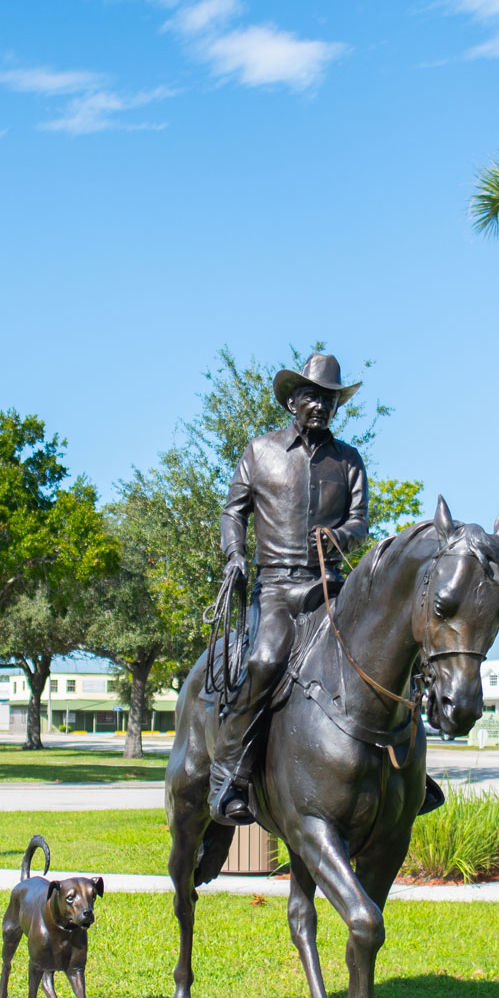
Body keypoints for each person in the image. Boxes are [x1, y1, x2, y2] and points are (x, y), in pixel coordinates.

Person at [210, 353, 370, 826]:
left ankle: (406, 766)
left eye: (328, 398)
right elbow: (232, 511)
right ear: (292, 402)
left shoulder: (348, 460)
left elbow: (359, 520)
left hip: (329, 587)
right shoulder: (260, 452)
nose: (319, 405)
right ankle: (229, 775)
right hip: (276, 587)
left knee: (385, 645)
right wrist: (235, 555)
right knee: (263, 661)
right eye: (311, 396)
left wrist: (340, 536)